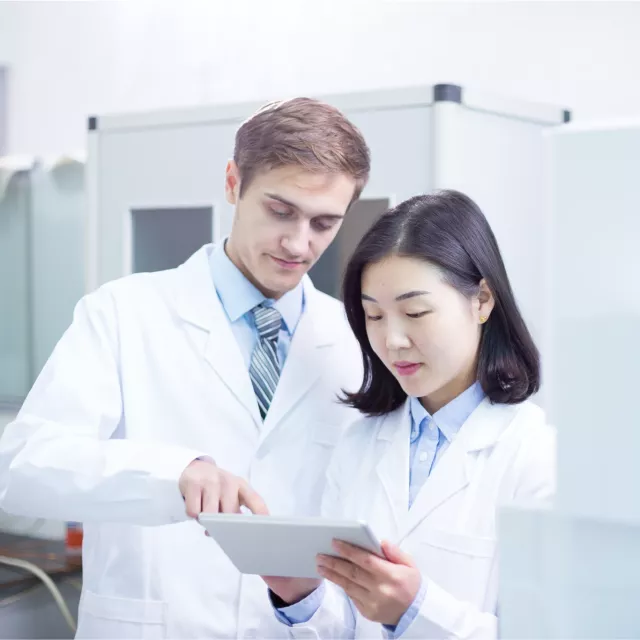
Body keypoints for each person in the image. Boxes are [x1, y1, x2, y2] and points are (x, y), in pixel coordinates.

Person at [0, 98, 371, 638]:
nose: (299, 243)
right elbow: (22, 470)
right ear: (232, 182)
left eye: (324, 223)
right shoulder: (124, 313)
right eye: (280, 210)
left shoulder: (355, 343)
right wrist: (172, 474)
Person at [265, 190, 556, 639]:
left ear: (481, 300)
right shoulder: (358, 444)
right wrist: (301, 600)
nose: (393, 340)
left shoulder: (537, 454)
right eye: (374, 317)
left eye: (415, 312)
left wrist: (415, 611)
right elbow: (347, 625)